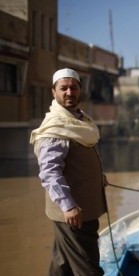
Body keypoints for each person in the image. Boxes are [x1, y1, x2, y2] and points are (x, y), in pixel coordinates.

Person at [30, 68, 107, 276]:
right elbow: (50, 172)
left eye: (74, 87)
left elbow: (78, 160)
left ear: (80, 90)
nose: (69, 92)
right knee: (87, 267)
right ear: (53, 92)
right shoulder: (56, 127)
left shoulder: (81, 121)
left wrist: (97, 177)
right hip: (73, 213)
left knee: (62, 263)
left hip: (83, 209)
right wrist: (69, 205)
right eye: (63, 88)